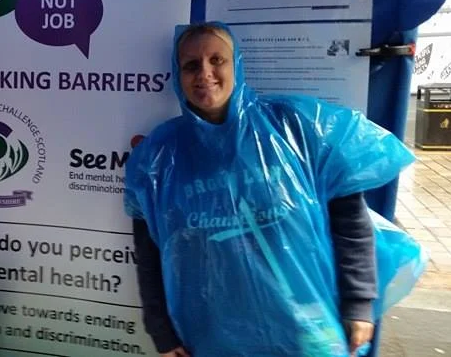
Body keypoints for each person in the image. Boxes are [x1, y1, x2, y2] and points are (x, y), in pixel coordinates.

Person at [123, 22, 416, 357]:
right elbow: (149, 255)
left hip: (305, 329)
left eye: (217, 60)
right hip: (212, 334)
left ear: (237, 65)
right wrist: (161, 330)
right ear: (178, 76)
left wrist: (359, 304)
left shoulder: (294, 127)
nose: (204, 73)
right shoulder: (158, 158)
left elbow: (350, 222)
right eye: (191, 65)